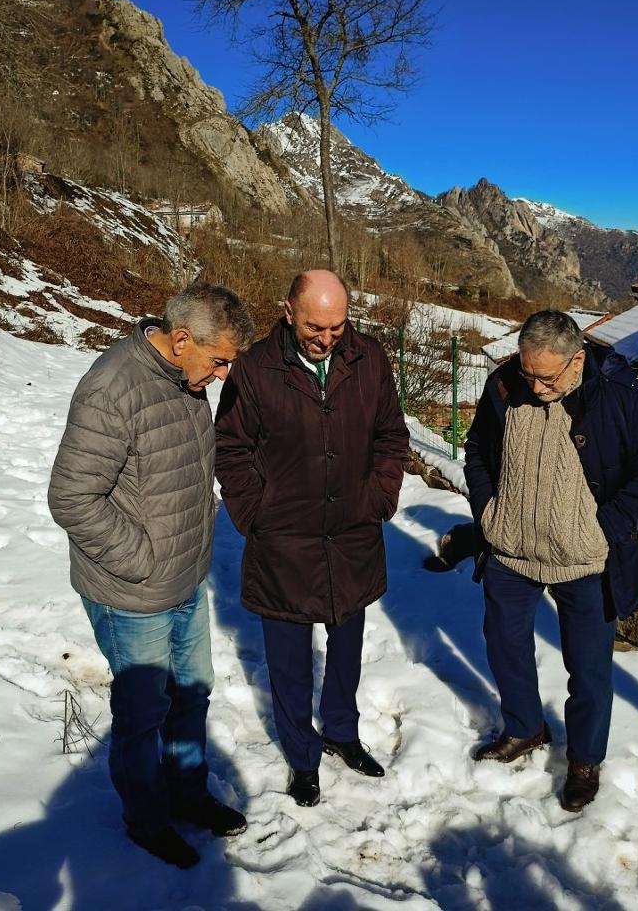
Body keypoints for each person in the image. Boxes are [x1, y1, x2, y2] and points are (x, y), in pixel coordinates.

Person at [47, 284, 255, 869]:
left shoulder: (184, 379)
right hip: (132, 592)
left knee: (192, 694)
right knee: (143, 715)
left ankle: (187, 797)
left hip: (186, 580)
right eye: (219, 361)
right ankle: (147, 821)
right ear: (183, 339)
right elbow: (71, 497)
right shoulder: (112, 389)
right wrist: (144, 561)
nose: (221, 375)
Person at [464, 311, 638, 811]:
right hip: (511, 551)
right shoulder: (503, 384)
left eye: (548, 377)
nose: (535, 386)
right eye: (527, 373)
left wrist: (601, 530)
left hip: (586, 559)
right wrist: (489, 511)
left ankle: (584, 760)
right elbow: (477, 449)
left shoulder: (620, 396)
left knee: (588, 669)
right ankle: (524, 729)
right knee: (505, 646)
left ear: (578, 359)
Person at [214, 269, 409, 807]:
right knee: (289, 660)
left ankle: (343, 733)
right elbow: (230, 447)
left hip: (352, 535)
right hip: (284, 542)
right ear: (288, 312)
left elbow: (392, 434)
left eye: (337, 326)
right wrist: (257, 514)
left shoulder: (369, 358)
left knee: (346, 650)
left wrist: (379, 497)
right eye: (314, 328)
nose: (327, 338)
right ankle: (302, 757)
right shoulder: (253, 370)